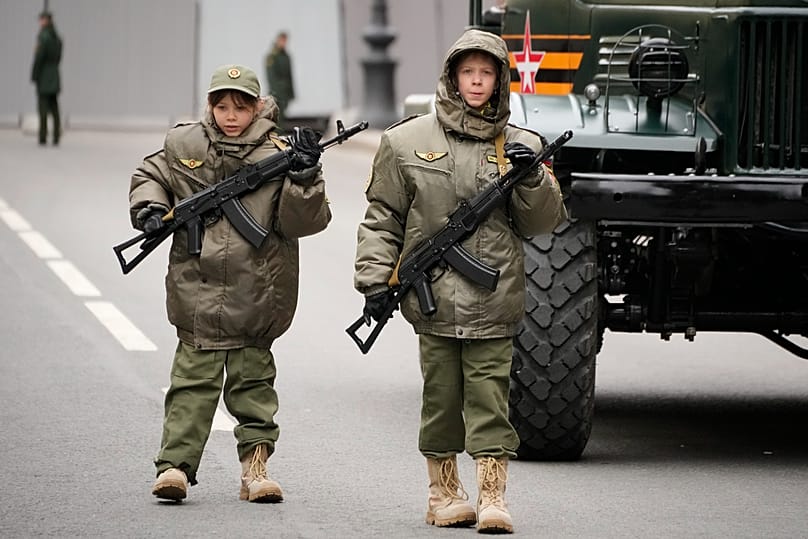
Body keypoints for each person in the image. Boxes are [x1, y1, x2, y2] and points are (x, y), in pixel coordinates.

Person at [352, 29, 567, 533]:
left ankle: (493, 497)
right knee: (441, 399)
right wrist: (375, 278)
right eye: (468, 72)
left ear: (499, 81)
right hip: (432, 300)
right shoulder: (405, 141)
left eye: (486, 73)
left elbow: (542, 224)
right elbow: (383, 215)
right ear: (452, 77)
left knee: (491, 399)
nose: (476, 81)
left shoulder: (522, 146)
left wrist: (531, 178)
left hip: (494, 298)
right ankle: (444, 494)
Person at [128, 64, 331, 503]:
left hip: (257, 294)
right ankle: (175, 468)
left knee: (254, 389)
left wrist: (304, 176)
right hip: (197, 291)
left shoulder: (279, 152)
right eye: (222, 106)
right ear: (210, 106)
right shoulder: (184, 144)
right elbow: (151, 176)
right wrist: (149, 208)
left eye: (241, 106)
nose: (231, 115)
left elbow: (305, 221)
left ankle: (254, 469)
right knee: (191, 386)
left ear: (258, 107)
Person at [30, 11, 63, 146]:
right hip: (55, 73)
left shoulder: (43, 37)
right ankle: (56, 136)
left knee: (43, 107)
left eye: (41, 19)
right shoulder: (57, 38)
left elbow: (39, 58)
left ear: (46, 20)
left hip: (44, 75)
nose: (40, 22)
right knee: (54, 107)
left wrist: (34, 75)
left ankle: (43, 136)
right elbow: (59, 56)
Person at [264, 32, 295, 131]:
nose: (283, 43)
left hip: (285, 92)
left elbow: (289, 76)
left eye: (285, 41)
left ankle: (280, 134)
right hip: (277, 92)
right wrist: (276, 92)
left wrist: (291, 93)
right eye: (282, 40)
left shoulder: (286, 56)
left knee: (283, 116)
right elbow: (271, 77)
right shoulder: (272, 56)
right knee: (277, 117)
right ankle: (277, 135)